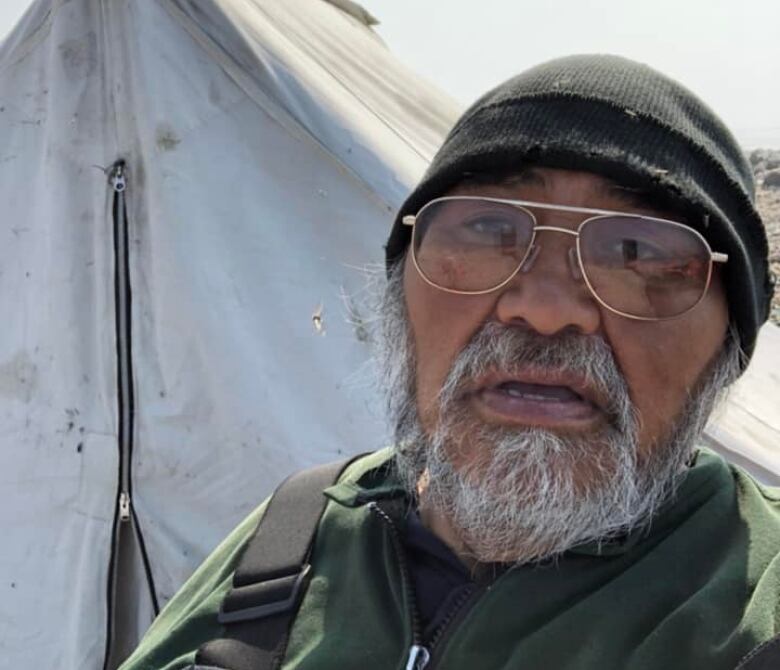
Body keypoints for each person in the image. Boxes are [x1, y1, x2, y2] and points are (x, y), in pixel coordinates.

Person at [120, 54, 779, 670]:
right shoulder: (289, 540)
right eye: (487, 231)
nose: (546, 310)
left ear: (730, 346)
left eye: (639, 252)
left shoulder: (756, 604)